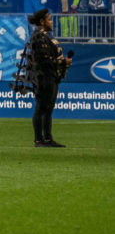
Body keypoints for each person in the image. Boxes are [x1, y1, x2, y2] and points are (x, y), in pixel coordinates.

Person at [26, 8, 72, 147]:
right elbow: (44, 59)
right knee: (41, 108)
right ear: (42, 21)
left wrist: (62, 64)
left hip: (52, 76)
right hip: (43, 77)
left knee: (48, 109)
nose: (52, 22)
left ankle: (48, 138)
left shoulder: (46, 35)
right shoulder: (38, 36)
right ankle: (38, 140)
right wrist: (63, 62)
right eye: (49, 19)